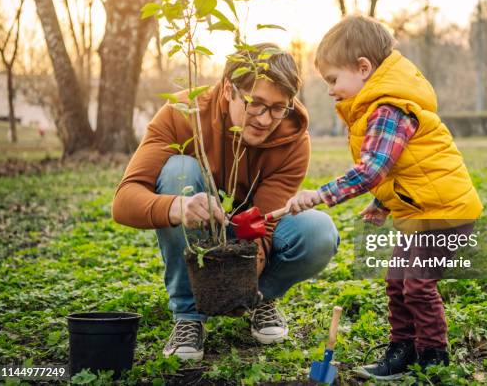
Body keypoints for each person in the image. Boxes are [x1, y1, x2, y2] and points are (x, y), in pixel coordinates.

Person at [112, 43, 339, 361]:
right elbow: (123, 201)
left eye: (278, 107)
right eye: (256, 104)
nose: (265, 119)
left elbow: (265, 222)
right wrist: (178, 207)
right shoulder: (183, 114)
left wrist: (241, 289)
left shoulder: (292, 137)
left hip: (248, 235)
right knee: (180, 169)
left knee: (319, 231)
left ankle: (259, 299)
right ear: (229, 90)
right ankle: (190, 315)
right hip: (198, 230)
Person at [285, 16, 483, 380]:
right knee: (397, 280)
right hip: (421, 212)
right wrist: (381, 203)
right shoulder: (375, 109)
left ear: (363, 68)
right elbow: (400, 168)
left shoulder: (389, 109)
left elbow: (373, 169)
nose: (330, 89)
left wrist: (320, 195)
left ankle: (433, 356)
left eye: (333, 79)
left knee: (418, 284)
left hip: (446, 214)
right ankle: (403, 348)